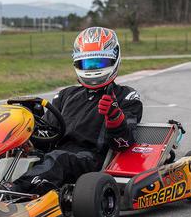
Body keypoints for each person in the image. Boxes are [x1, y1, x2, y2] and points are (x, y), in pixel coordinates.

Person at [10, 27, 143, 195]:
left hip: (91, 158)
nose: (93, 68)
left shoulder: (126, 96)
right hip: (55, 154)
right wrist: (28, 131)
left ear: (114, 60)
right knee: (11, 151)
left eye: (99, 63)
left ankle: (16, 190)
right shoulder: (66, 95)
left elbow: (123, 143)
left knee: (59, 158)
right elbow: (49, 134)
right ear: (78, 63)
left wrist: (114, 116)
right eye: (87, 63)